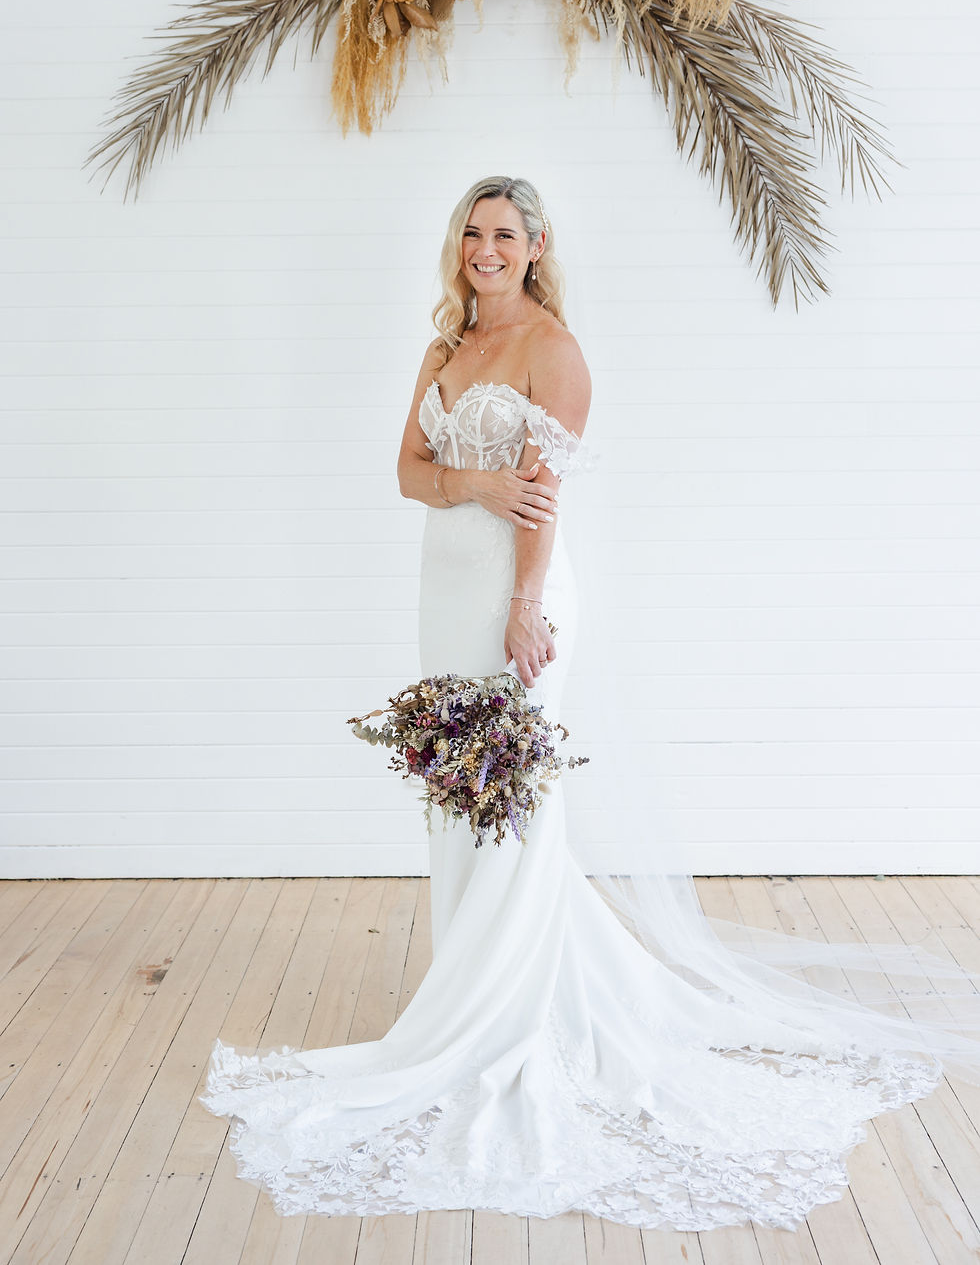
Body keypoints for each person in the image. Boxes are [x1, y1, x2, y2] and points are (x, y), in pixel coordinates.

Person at [200, 175, 980, 1230]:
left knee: (515, 804)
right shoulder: (443, 349)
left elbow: (542, 497)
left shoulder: (551, 350)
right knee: (454, 799)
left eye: (504, 234)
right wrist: (469, 483)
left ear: (535, 246)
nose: (485, 249)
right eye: (472, 233)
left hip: (511, 599)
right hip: (441, 593)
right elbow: (405, 471)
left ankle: (500, 1017)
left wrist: (524, 606)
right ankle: (466, 993)